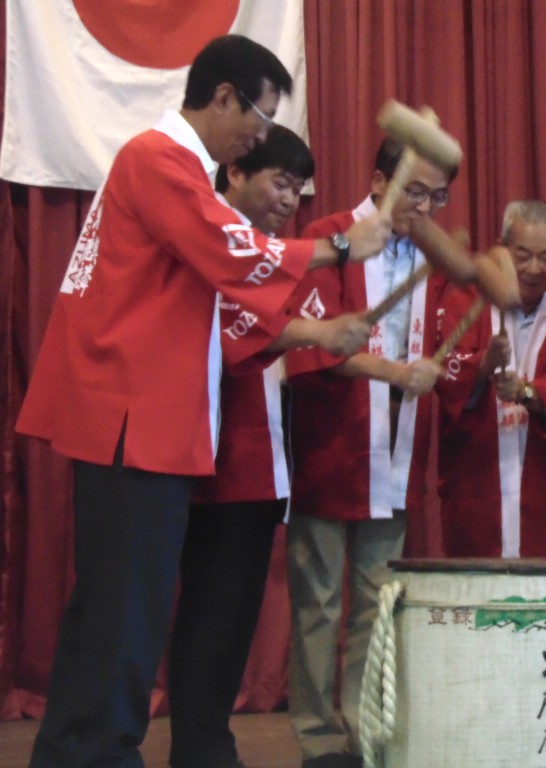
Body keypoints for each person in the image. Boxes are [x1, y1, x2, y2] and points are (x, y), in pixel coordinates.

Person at [14, 35, 390, 768]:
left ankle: (69, 752)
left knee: (109, 611)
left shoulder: (164, 163)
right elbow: (228, 246)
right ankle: (98, 754)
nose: (259, 134)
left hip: (137, 420)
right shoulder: (160, 159)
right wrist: (338, 248)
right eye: (258, 118)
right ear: (223, 96)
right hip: (133, 419)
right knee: (126, 617)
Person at [283, 136, 452, 768]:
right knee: (319, 601)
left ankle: (363, 725)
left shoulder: (432, 256)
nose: (426, 206)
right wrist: (392, 372)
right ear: (380, 182)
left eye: (437, 196)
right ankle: (317, 736)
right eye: (415, 190)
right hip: (334, 444)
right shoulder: (331, 238)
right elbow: (309, 344)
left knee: (377, 604)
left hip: (398, 450)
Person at [167, 125, 315, 768]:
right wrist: (306, 331)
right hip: (217, 460)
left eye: (297, 189)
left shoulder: (266, 249)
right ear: (233, 174)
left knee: (229, 617)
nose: (290, 200)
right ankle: (200, 746)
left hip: (258, 464)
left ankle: (205, 743)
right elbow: (226, 343)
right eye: (279, 182)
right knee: (208, 612)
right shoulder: (212, 241)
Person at [434, 199, 546, 557]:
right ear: (503, 247)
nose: (534, 268)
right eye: (522, 254)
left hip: (544, 486)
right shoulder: (467, 300)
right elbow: (442, 371)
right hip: (476, 478)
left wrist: (529, 392)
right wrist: (485, 364)